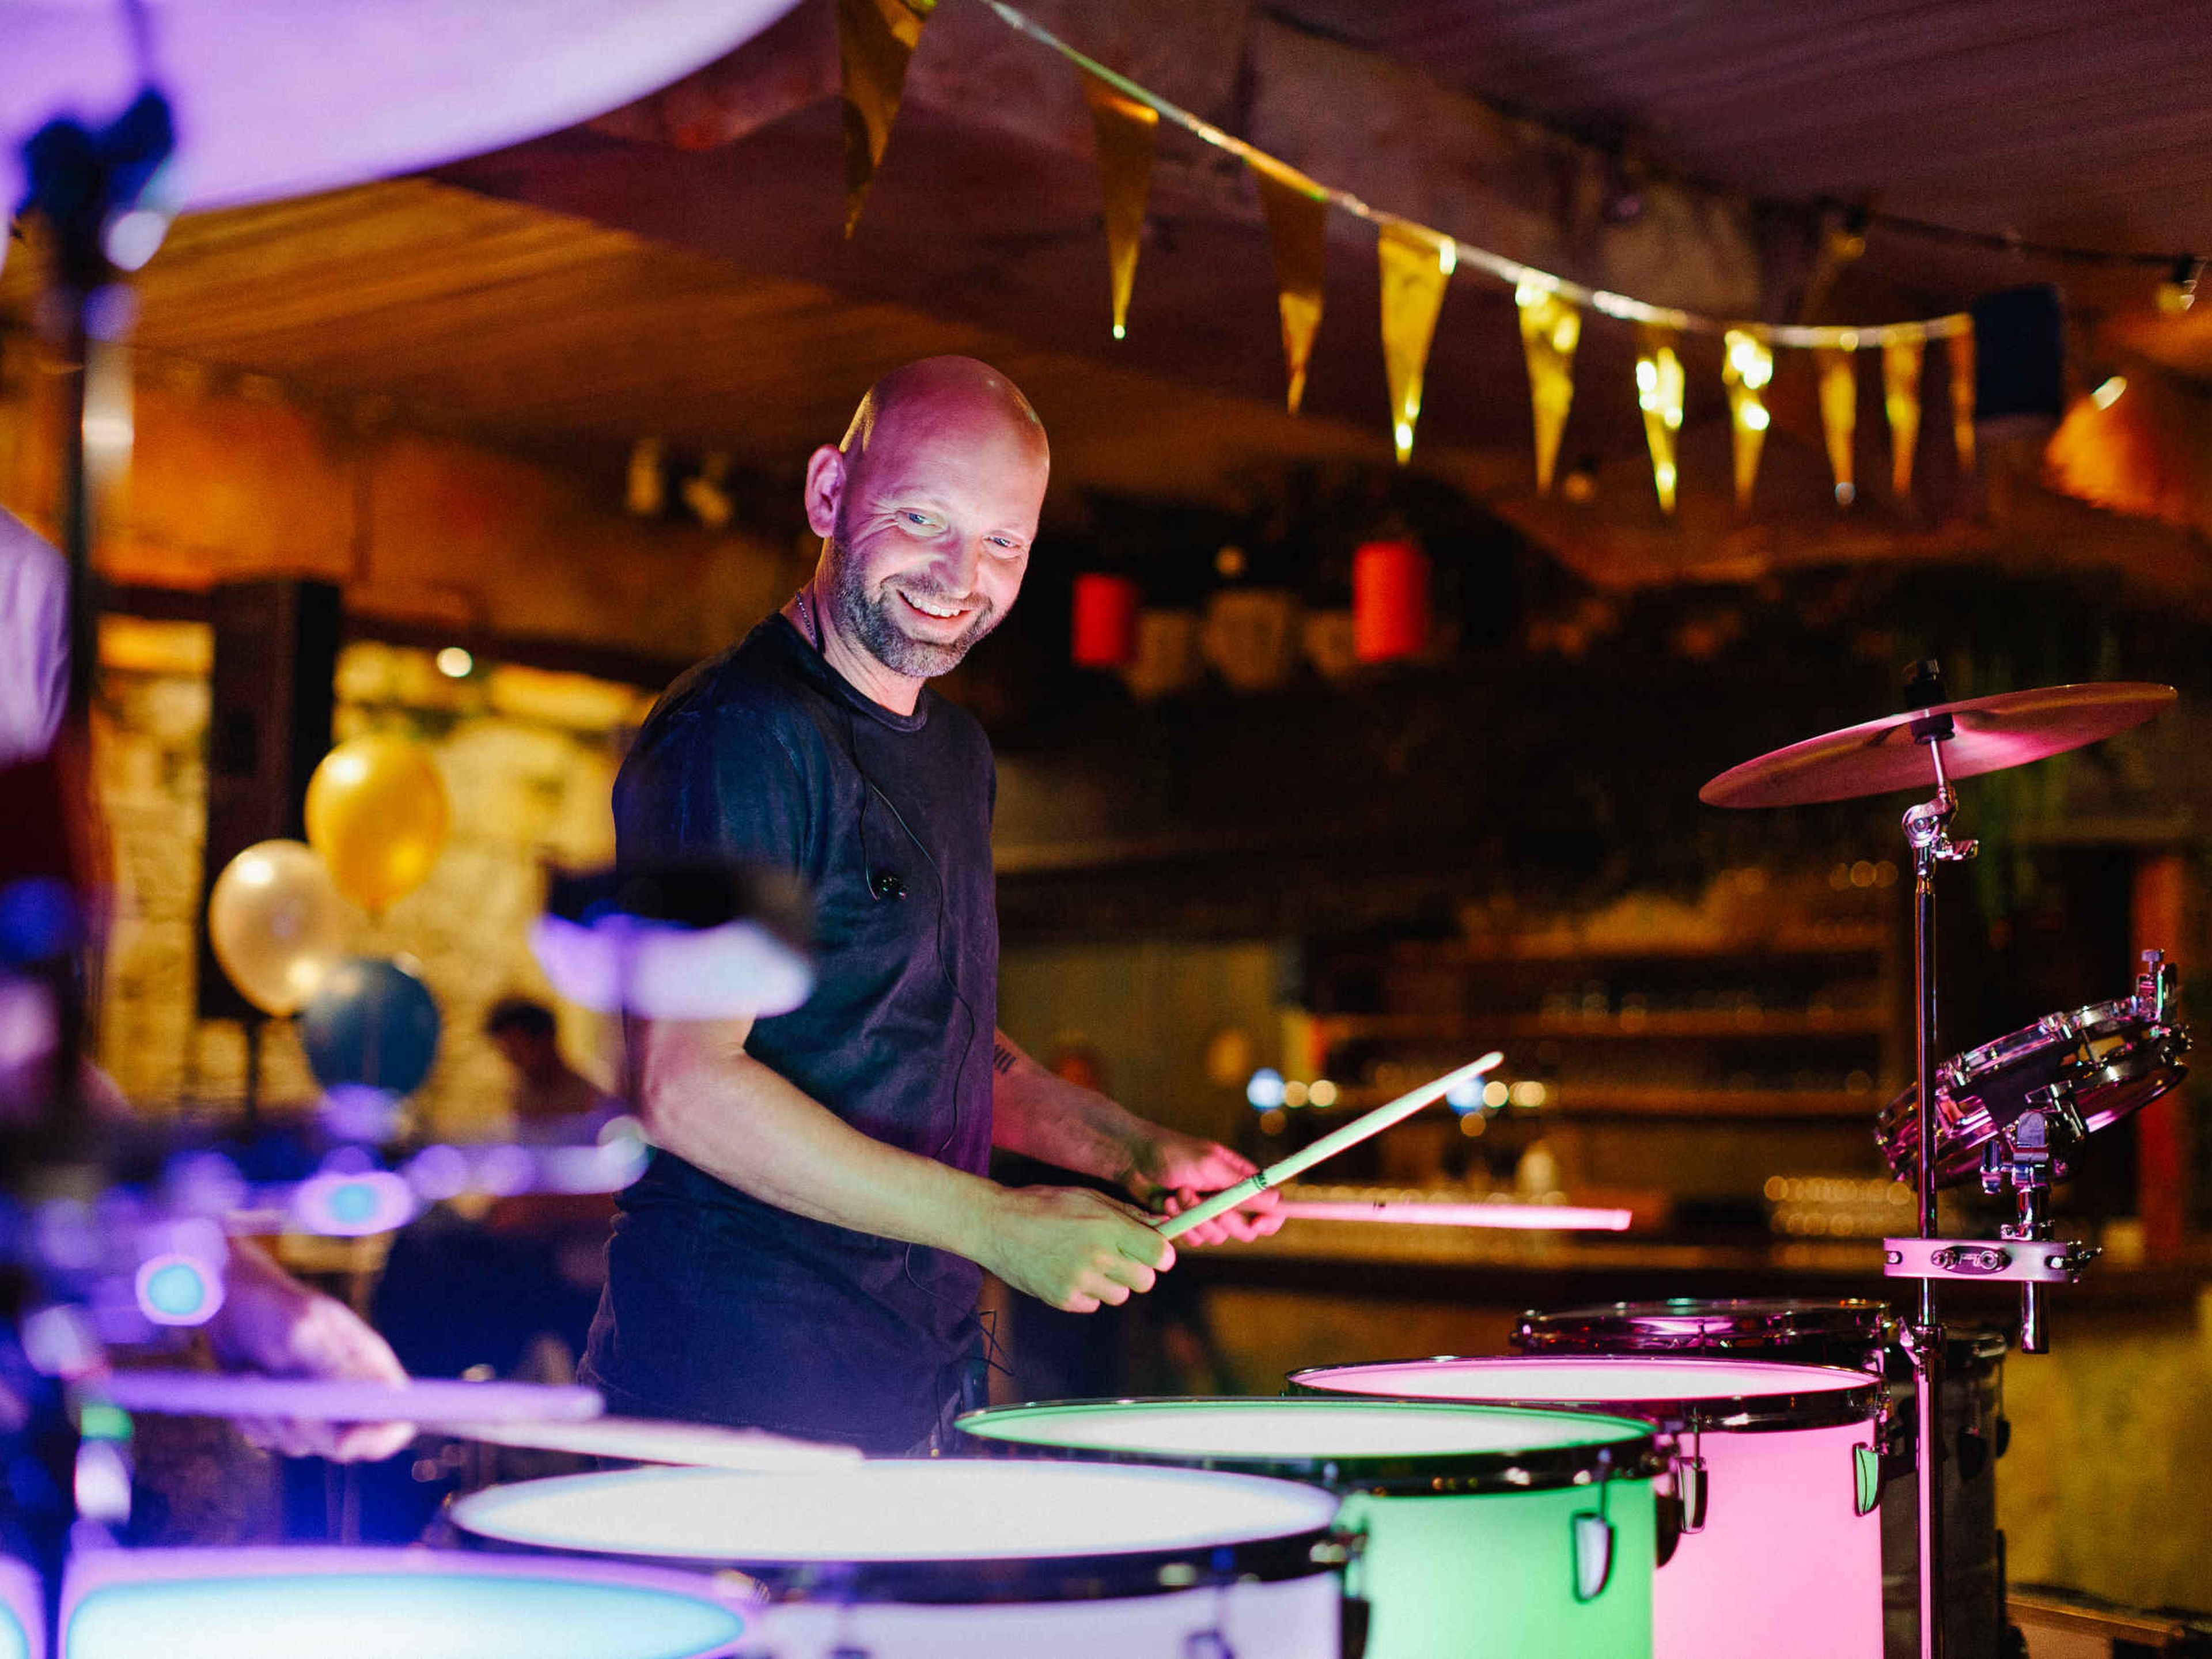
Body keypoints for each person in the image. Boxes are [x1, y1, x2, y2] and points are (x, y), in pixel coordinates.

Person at [582, 357, 1282, 1454]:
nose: (963, 575)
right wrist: (1000, 1225)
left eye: (1003, 542)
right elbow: (686, 1084)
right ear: (829, 495)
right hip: (732, 1402)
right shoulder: (738, 735)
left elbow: (924, 1030)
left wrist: (1129, 1149)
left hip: (907, 1388)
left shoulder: (955, 752)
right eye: (923, 518)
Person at [483, 995, 620, 1146]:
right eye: (507, 1053)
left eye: (517, 1050)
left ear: (545, 1040)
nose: (513, 1061)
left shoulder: (593, 1092)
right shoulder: (520, 1096)